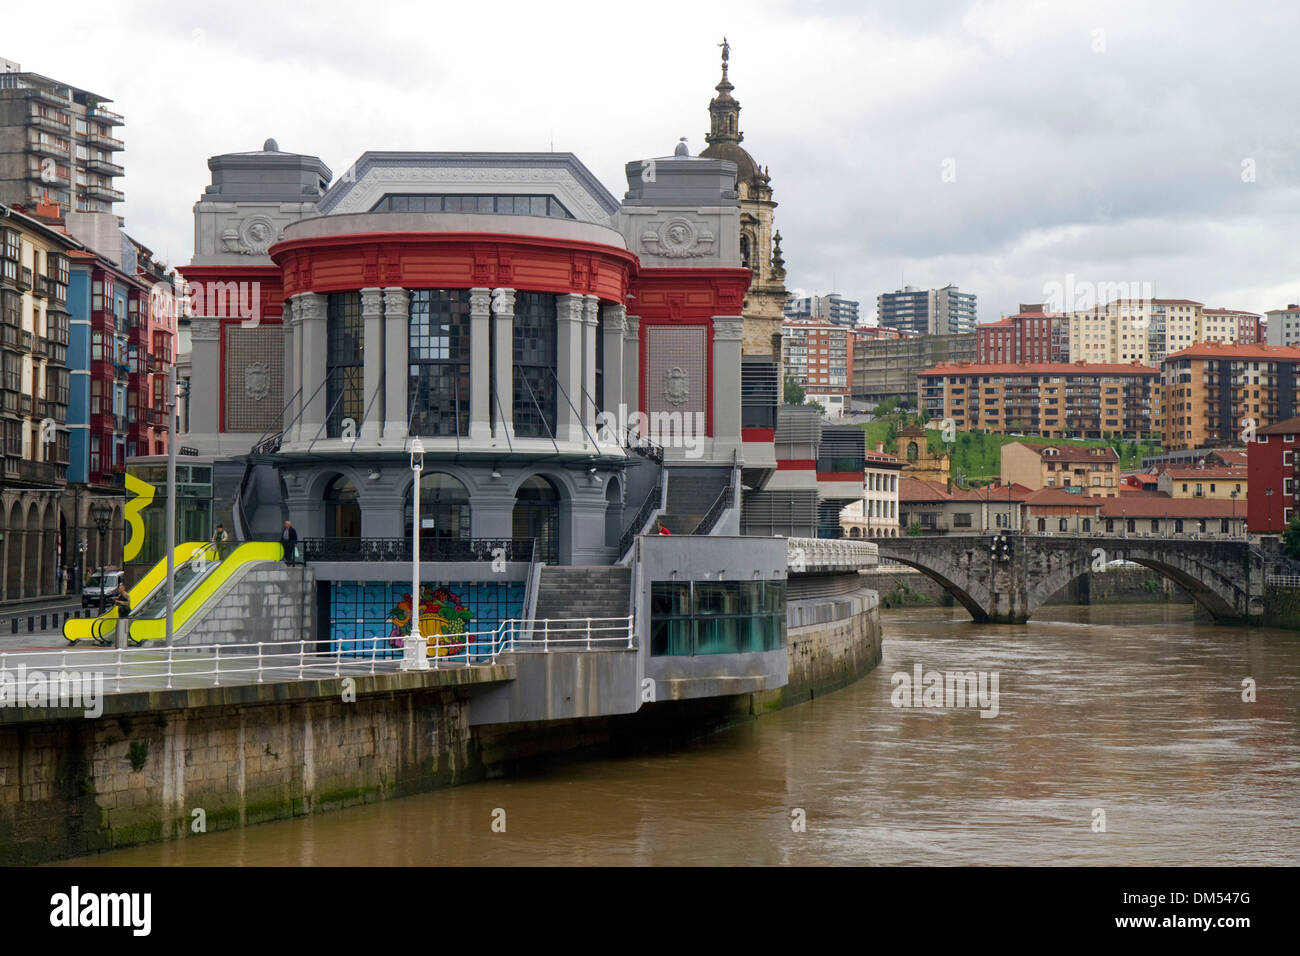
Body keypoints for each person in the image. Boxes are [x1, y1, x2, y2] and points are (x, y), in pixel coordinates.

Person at [112, 581, 131, 648]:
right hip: (120, 611)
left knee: (124, 624)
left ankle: (125, 640)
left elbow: (127, 603)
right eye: (119, 589)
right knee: (120, 623)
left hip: (125, 611)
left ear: (123, 588)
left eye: (120, 589)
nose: (119, 590)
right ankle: (121, 640)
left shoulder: (126, 595)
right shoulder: (120, 595)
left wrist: (119, 601)